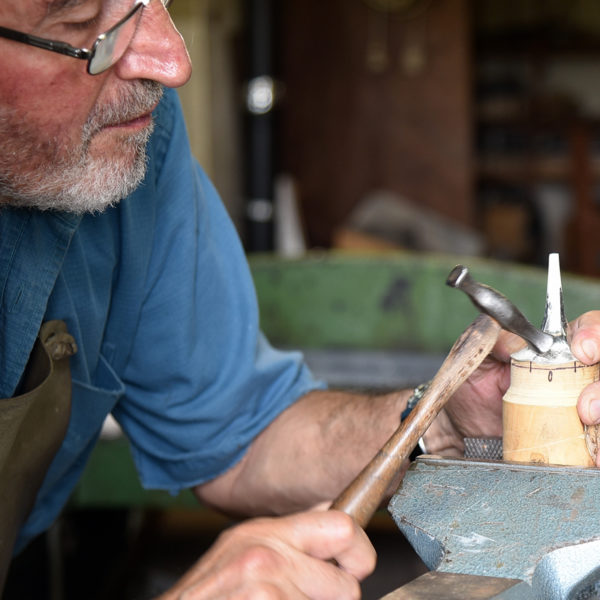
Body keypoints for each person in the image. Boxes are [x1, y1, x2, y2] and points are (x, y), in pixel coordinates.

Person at [2, 1, 600, 598]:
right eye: (85, 25)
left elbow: (243, 436)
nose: (172, 61)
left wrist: (444, 421)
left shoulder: (129, 142)